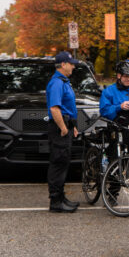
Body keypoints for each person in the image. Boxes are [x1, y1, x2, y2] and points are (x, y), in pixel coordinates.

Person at [46, 51, 81, 213]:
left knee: (63, 162)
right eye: (71, 63)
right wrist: (63, 127)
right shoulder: (57, 83)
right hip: (59, 126)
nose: (73, 66)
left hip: (66, 123)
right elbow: (54, 108)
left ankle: (61, 197)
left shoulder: (63, 81)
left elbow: (69, 108)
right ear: (63, 65)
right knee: (58, 163)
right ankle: (55, 201)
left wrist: (72, 126)